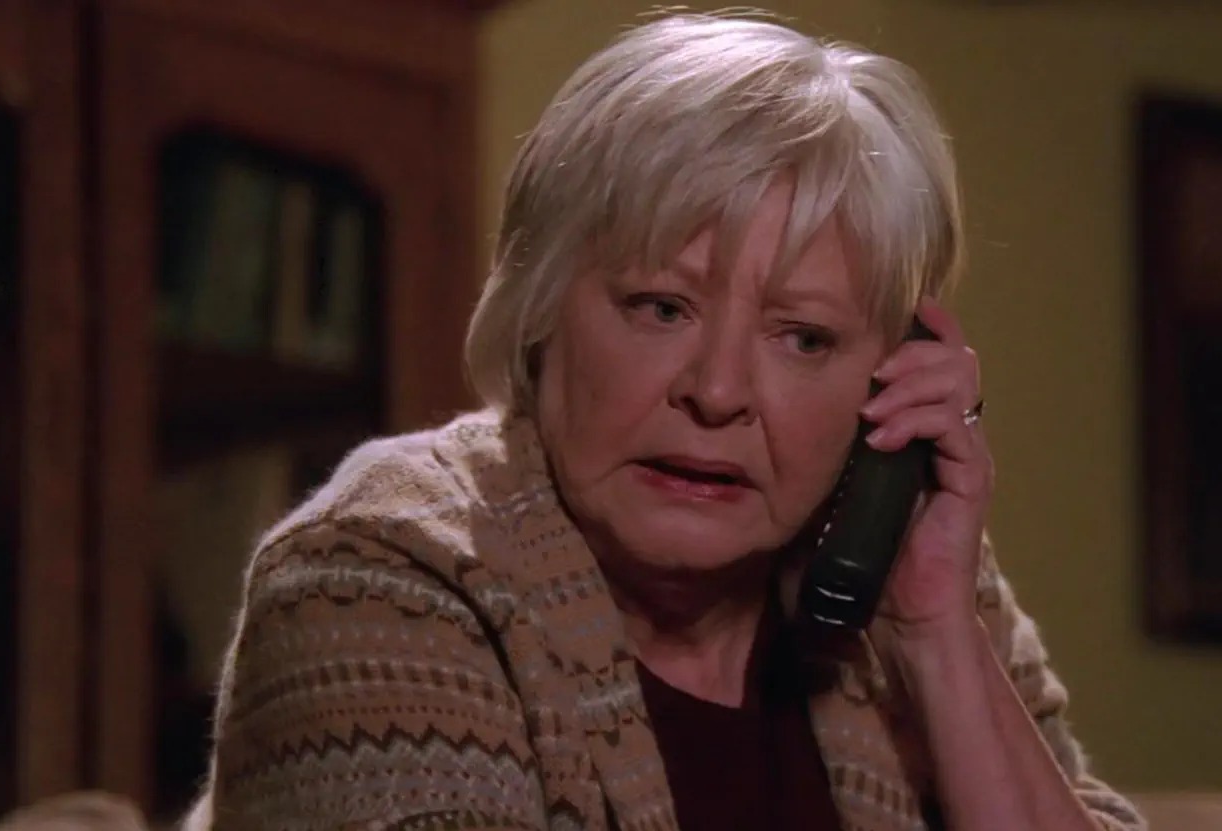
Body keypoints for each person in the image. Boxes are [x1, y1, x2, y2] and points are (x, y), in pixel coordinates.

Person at [189, 12, 1146, 831]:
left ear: (893, 373)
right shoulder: (372, 576)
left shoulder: (914, 576)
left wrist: (937, 635)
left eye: (804, 337)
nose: (718, 392)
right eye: (661, 307)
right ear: (540, 303)